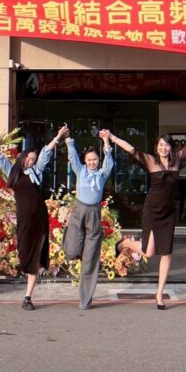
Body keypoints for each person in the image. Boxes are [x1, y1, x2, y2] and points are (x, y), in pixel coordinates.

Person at [0, 124, 69, 310]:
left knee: (35, 255)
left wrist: (58, 137)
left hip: (39, 218)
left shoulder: (37, 172)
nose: (30, 161)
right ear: (23, 157)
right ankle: (34, 270)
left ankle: (28, 297)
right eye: (28, 158)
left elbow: (46, 153)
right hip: (24, 219)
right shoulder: (13, 171)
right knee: (24, 253)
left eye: (33, 159)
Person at [109, 121, 186, 310]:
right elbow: (131, 149)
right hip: (152, 210)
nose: (163, 148)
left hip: (169, 213)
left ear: (171, 147)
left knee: (167, 253)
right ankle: (125, 243)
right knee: (149, 251)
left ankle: (159, 293)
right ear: (157, 147)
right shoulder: (151, 161)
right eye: (161, 145)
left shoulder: (177, 160)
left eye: (166, 145)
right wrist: (112, 137)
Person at [62, 129, 114, 310]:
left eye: (95, 159)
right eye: (89, 159)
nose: (92, 162)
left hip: (94, 213)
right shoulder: (80, 170)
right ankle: (68, 237)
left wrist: (106, 141)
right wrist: (68, 138)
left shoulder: (102, 174)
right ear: (85, 160)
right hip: (79, 210)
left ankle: (85, 300)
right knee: (72, 250)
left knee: (90, 258)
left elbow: (109, 161)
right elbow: (72, 156)